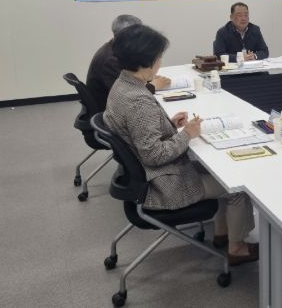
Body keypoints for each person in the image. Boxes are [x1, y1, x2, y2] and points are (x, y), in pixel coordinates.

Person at [103, 24, 258, 265]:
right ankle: (236, 248)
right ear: (146, 61)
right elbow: (154, 155)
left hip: (146, 175)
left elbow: (140, 132)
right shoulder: (138, 101)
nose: (160, 61)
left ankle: (222, 234)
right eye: (159, 57)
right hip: (163, 184)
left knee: (217, 172)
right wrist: (187, 134)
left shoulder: (122, 86)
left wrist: (168, 124)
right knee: (237, 188)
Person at [87, 15, 170, 112]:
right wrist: (153, 86)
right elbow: (126, 93)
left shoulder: (115, 50)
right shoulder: (111, 60)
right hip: (111, 109)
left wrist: (146, 77)